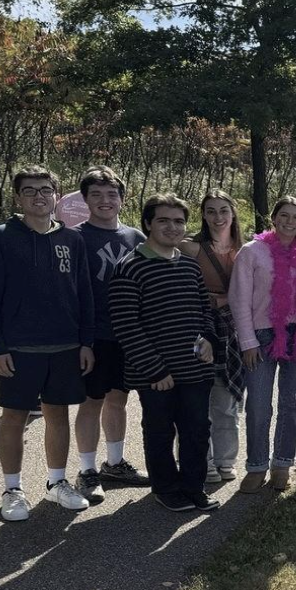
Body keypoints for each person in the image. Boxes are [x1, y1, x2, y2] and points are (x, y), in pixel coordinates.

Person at [0, 167, 95, 522]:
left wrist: (86, 342)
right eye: (30, 191)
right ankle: (12, 489)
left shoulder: (72, 240)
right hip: (18, 348)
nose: (39, 197)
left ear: (57, 196)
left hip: (63, 346)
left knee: (57, 414)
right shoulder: (0, 237)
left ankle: (57, 482)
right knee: (14, 416)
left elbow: (85, 295)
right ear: (18, 198)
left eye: (46, 190)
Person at [110, 193, 220, 513]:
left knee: (197, 430)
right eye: (163, 220)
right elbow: (126, 327)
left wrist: (211, 339)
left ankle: (193, 486)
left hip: (195, 369)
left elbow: (205, 309)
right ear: (147, 224)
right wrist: (155, 370)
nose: (172, 227)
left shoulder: (189, 266)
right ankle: (166, 488)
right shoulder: (129, 268)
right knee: (159, 431)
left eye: (178, 221)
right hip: (157, 375)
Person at [70, 167, 151, 504]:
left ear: (122, 198)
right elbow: (70, 294)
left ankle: (114, 464)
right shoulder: (73, 237)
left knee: (119, 399)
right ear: (85, 199)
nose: (105, 201)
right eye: (96, 195)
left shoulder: (136, 238)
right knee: (92, 402)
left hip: (128, 335)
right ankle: (87, 471)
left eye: (111, 194)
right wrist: (82, 341)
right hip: (94, 336)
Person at [229, 197, 296, 494]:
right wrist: (248, 341)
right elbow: (238, 300)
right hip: (262, 335)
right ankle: (256, 466)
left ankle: (282, 463)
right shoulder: (252, 252)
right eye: (284, 216)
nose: (290, 222)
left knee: (292, 405)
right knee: (259, 406)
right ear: (273, 218)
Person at [179, 191, 246, 484]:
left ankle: (225, 460)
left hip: (235, 331)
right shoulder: (191, 248)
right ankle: (199, 461)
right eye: (210, 211)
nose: (218, 217)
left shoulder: (248, 248)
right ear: (203, 215)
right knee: (195, 401)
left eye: (223, 210)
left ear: (233, 213)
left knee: (226, 401)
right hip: (200, 327)